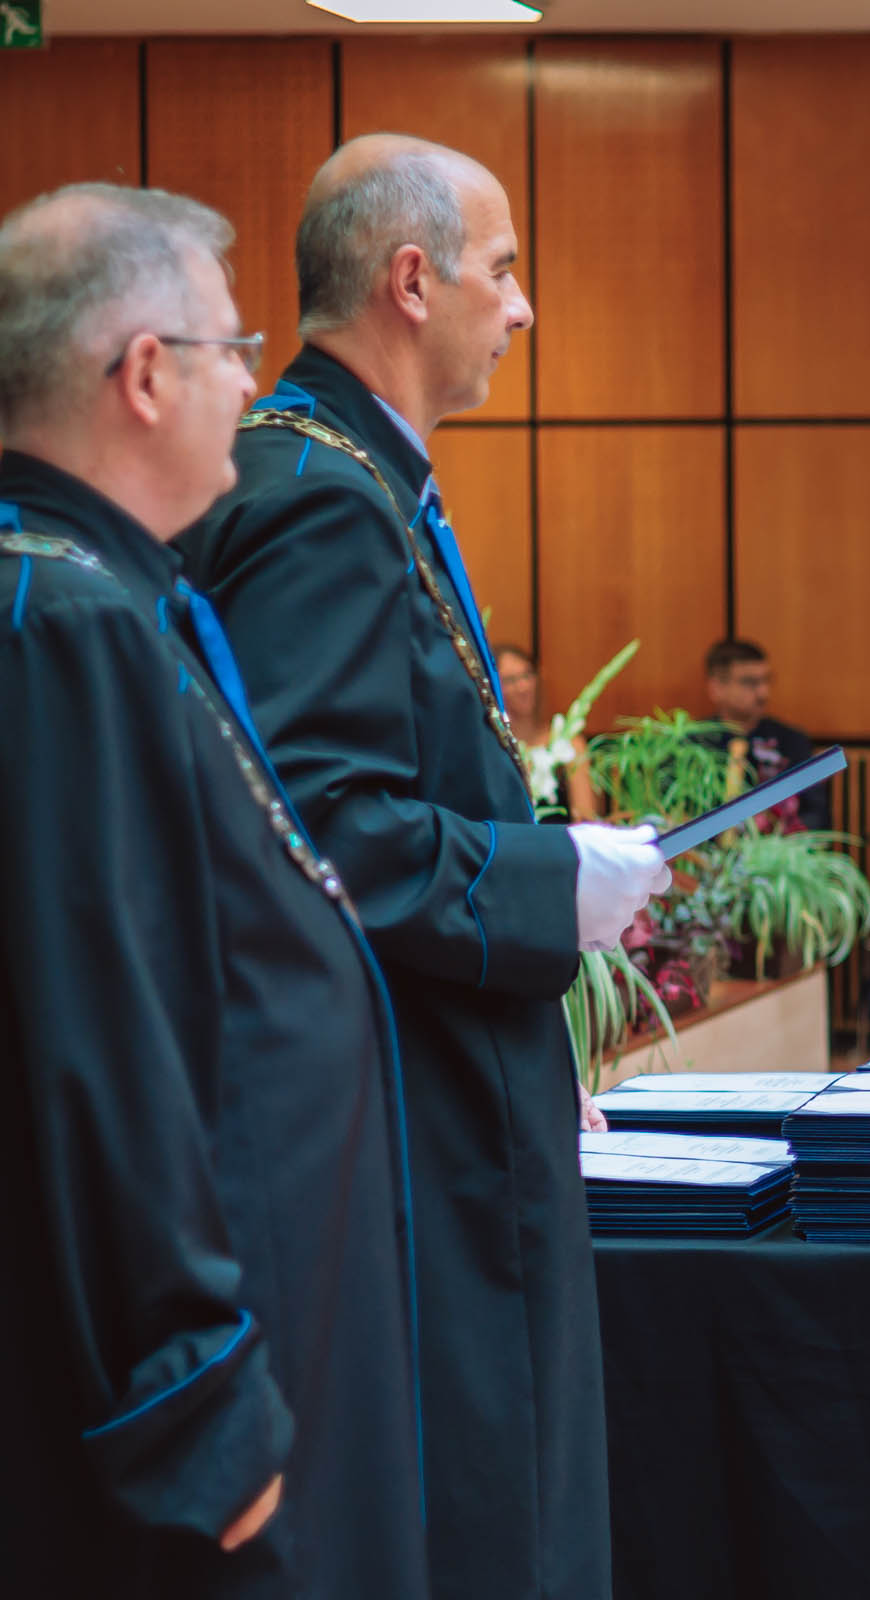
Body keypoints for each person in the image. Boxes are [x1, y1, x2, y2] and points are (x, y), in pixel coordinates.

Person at [176, 136, 666, 1600]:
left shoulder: (349, 470)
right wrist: (549, 885)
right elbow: (326, 829)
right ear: (410, 280)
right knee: (487, 1503)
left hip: (447, 1078)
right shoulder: (320, 493)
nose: (521, 306)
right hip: (406, 1118)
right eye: (502, 270)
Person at [0, 184, 427, 1599]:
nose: (253, 383)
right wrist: (193, 1396)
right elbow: (100, 1038)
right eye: (231, 349)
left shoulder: (107, 589)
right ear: (143, 374)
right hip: (207, 1381)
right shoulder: (62, 621)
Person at [698, 635, 834, 833]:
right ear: (716, 688)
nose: (763, 693)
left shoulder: (791, 741)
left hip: (779, 847)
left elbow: (817, 814)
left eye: (766, 680)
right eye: (749, 682)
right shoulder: (694, 744)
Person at [497, 641, 601, 821]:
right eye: (510, 680)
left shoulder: (568, 742)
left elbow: (585, 818)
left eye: (527, 675)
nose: (523, 686)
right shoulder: (493, 749)